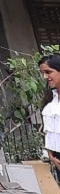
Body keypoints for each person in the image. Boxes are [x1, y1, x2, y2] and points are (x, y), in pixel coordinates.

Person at [39, 53, 60, 182]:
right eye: (43, 73)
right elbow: (51, 129)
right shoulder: (51, 98)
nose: (45, 77)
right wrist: (51, 155)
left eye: (48, 72)